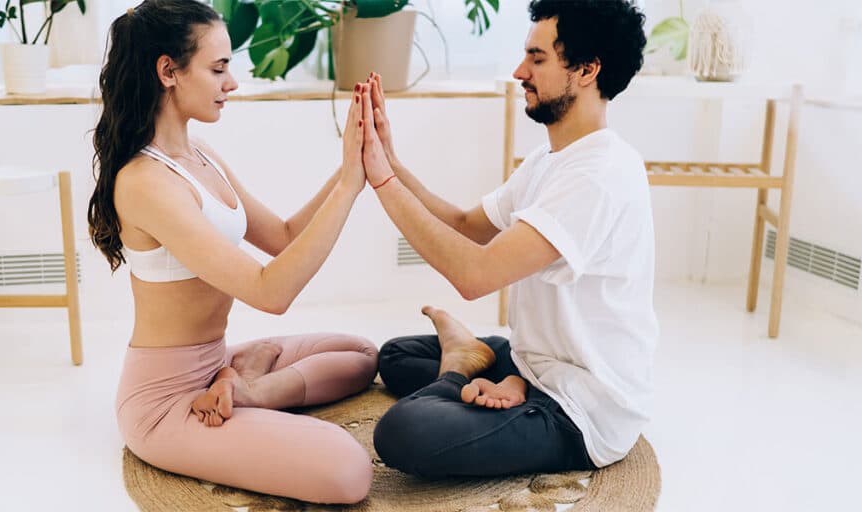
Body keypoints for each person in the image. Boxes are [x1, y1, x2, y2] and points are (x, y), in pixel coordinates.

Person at [88, 0, 378, 504]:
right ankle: (238, 390)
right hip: (167, 400)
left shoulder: (201, 157)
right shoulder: (145, 182)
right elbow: (272, 291)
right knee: (350, 469)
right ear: (168, 72)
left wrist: (351, 161)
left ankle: (248, 390)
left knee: (361, 355)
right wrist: (351, 186)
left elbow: (285, 237)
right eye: (218, 68)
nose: (233, 82)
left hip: (218, 361)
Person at [361, 0, 659, 477]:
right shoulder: (551, 159)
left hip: (579, 408)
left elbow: (475, 274)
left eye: (537, 58)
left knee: (403, 431)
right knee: (397, 358)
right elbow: (463, 225)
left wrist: (381, 183)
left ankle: (471, 369)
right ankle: (496, 373)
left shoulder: (599, 175)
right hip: (536, 362)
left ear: (587, 70)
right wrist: (391, 160)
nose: (520, 71)